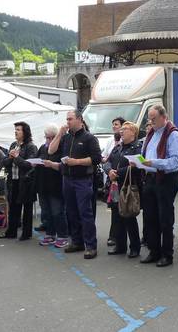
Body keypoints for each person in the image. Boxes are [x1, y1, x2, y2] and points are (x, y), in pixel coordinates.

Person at [49, 110, 102, 259]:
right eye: (67, 119)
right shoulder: (66, 138)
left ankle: (91, 246)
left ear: (80, 119)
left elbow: (97, 158)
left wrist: (77, 162)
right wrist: (59, 134)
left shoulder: (89, 138)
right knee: (71, 212)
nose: (68, 122)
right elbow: (51, 150)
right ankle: (77, 242)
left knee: (85, 213)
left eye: (70, 119)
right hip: (67, 179)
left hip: (83, 180)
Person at [138, 105, 178, 267]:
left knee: (165, 219)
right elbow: (146, 154)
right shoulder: (151, 133)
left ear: (164, 117)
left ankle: (167, 254)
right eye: (150, 118)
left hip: (165, 179)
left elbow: (176, 162)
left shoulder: (173, 134)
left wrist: (153, 162)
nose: (151, 121)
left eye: (154, 118)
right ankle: (154, 251)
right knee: (150, 218)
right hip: (150, 178)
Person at [105, 121, 142, 258]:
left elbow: (136, 166)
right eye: (121, 129)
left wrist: (117, 173)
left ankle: (135, 247)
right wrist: (109, 171)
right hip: (115, 186)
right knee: (117, 216)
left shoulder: (137, 147)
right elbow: (107, 161)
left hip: (128, 186)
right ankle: (120, 246)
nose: (121, 131)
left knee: (129, 216)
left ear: (133, 132)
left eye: (125, 129)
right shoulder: (118, 147)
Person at [0, 122, 38, 241]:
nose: (16, 132)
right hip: (13, 181)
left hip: (25, 182)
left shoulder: (31, 146)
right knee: (14, 208)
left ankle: (26, 234)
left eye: (18, 130)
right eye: (15, 130)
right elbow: (5, 163)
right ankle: (11, 232)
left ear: (25, 132)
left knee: (27, 209)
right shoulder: (14, 145)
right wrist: (10, 157)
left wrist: (16, 157)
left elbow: (29, 165)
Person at [36, 124, 69, 248]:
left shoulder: (62, 146)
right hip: (43, 184)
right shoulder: (42, 148)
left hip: (56, 184)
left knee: (57, 211)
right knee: (46, 211)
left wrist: (52, 164)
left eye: (51, 137)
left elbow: (63, 165)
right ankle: (50, 234)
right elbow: (38, 158)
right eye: (47, 137)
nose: (48, 140)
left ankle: (62, 235)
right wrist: (35, 163)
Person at [102, 117, 124, 247]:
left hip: (122, 179)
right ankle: (114, 236)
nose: (114, 127)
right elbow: (106, 157)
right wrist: (108, 168)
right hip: (111, 180)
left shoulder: (127, 143)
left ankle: (119, 237)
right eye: (113, 125)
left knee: (123, 210)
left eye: (116, 124)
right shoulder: (111, 140)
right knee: (114, 209)